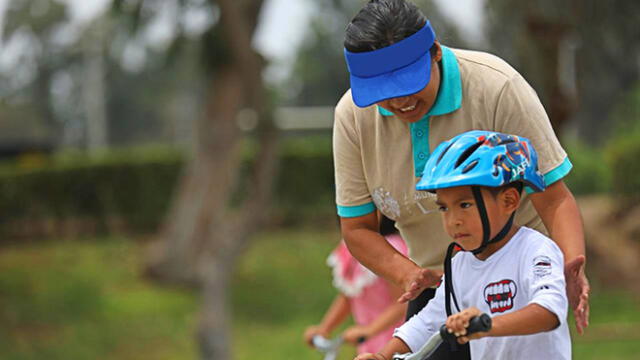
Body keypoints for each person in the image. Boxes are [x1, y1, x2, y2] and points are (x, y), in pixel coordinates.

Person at [333, 0, 589, 333]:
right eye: (384, 93)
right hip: (436, 288)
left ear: (435, 52)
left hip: (517, 284)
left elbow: (553, 199)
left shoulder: (495, 86)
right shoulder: (353, 116)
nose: (400, 102)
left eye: (410, 83)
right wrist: (409, 275)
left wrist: (570, 268)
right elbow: (357, 229)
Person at [355, 130, 571, 360]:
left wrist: (485, 325)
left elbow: (549, 311)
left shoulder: (536, 250)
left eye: (465, 205)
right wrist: (383, 356)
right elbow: (426, 323)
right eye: (444, 208)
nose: (453, 220)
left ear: (509, 201)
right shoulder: (460, 265)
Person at [305, 215, 409, 354]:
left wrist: (370, 330)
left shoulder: (392, 248)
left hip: (394, 341)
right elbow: (349, 295)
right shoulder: (353, 247)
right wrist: (325, 328)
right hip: (367, 343)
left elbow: (403, 302)